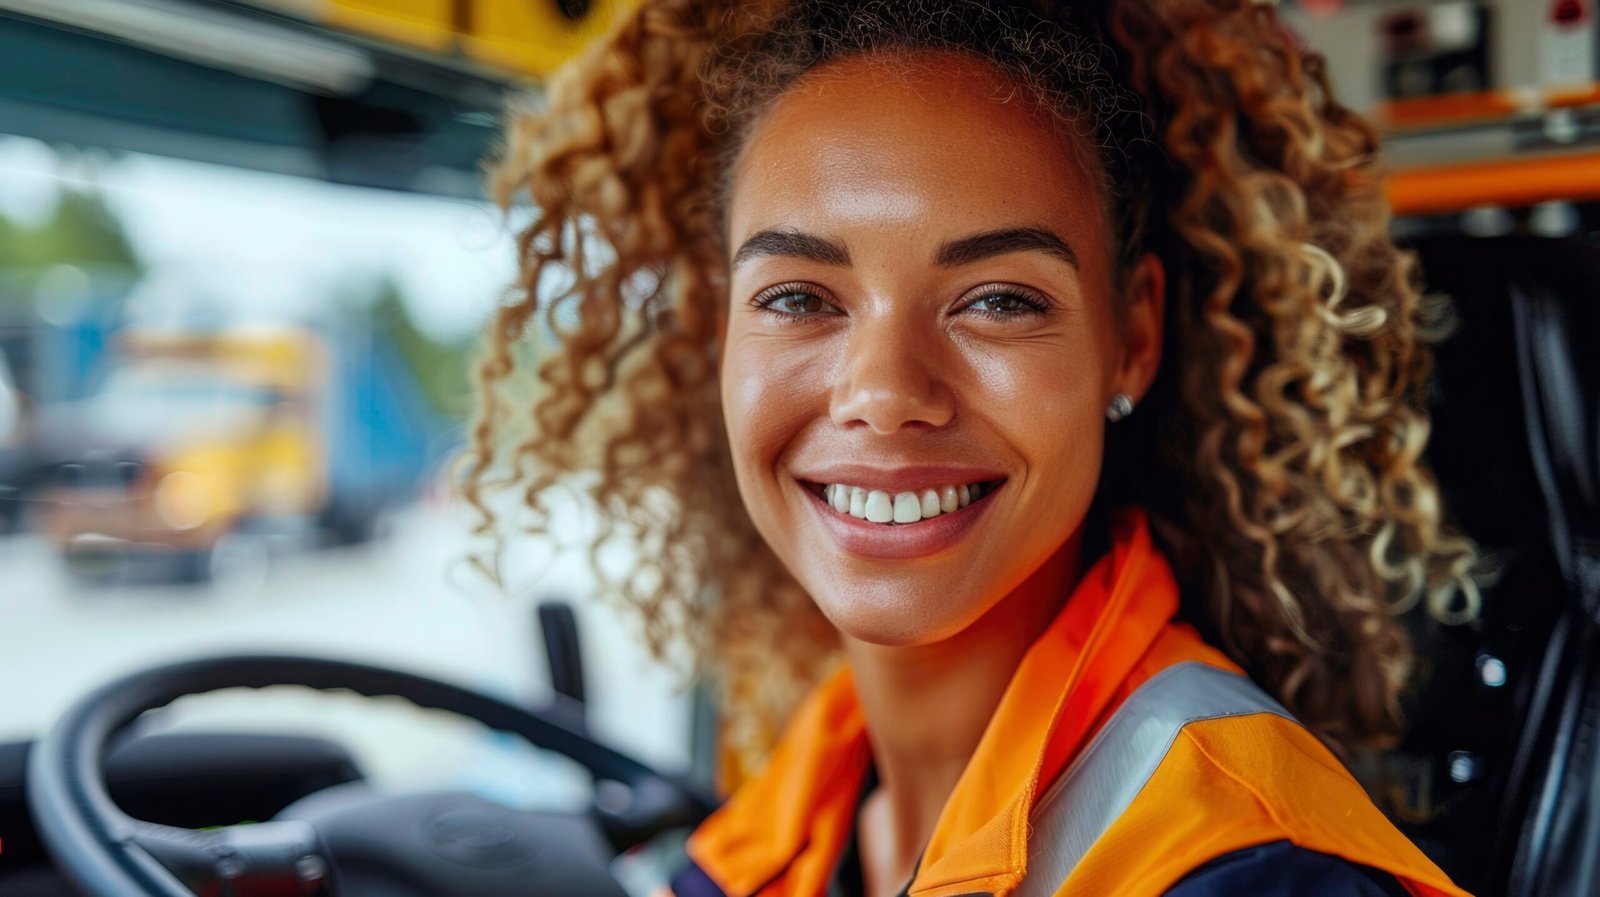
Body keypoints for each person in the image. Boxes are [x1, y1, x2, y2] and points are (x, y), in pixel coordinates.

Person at [464, 0, 1482, 894]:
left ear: (1130, 340)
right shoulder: (781, 819)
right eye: (799, 298)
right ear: (719, 331)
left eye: (997, 300)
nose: (882, 393)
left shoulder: (1247, 871)